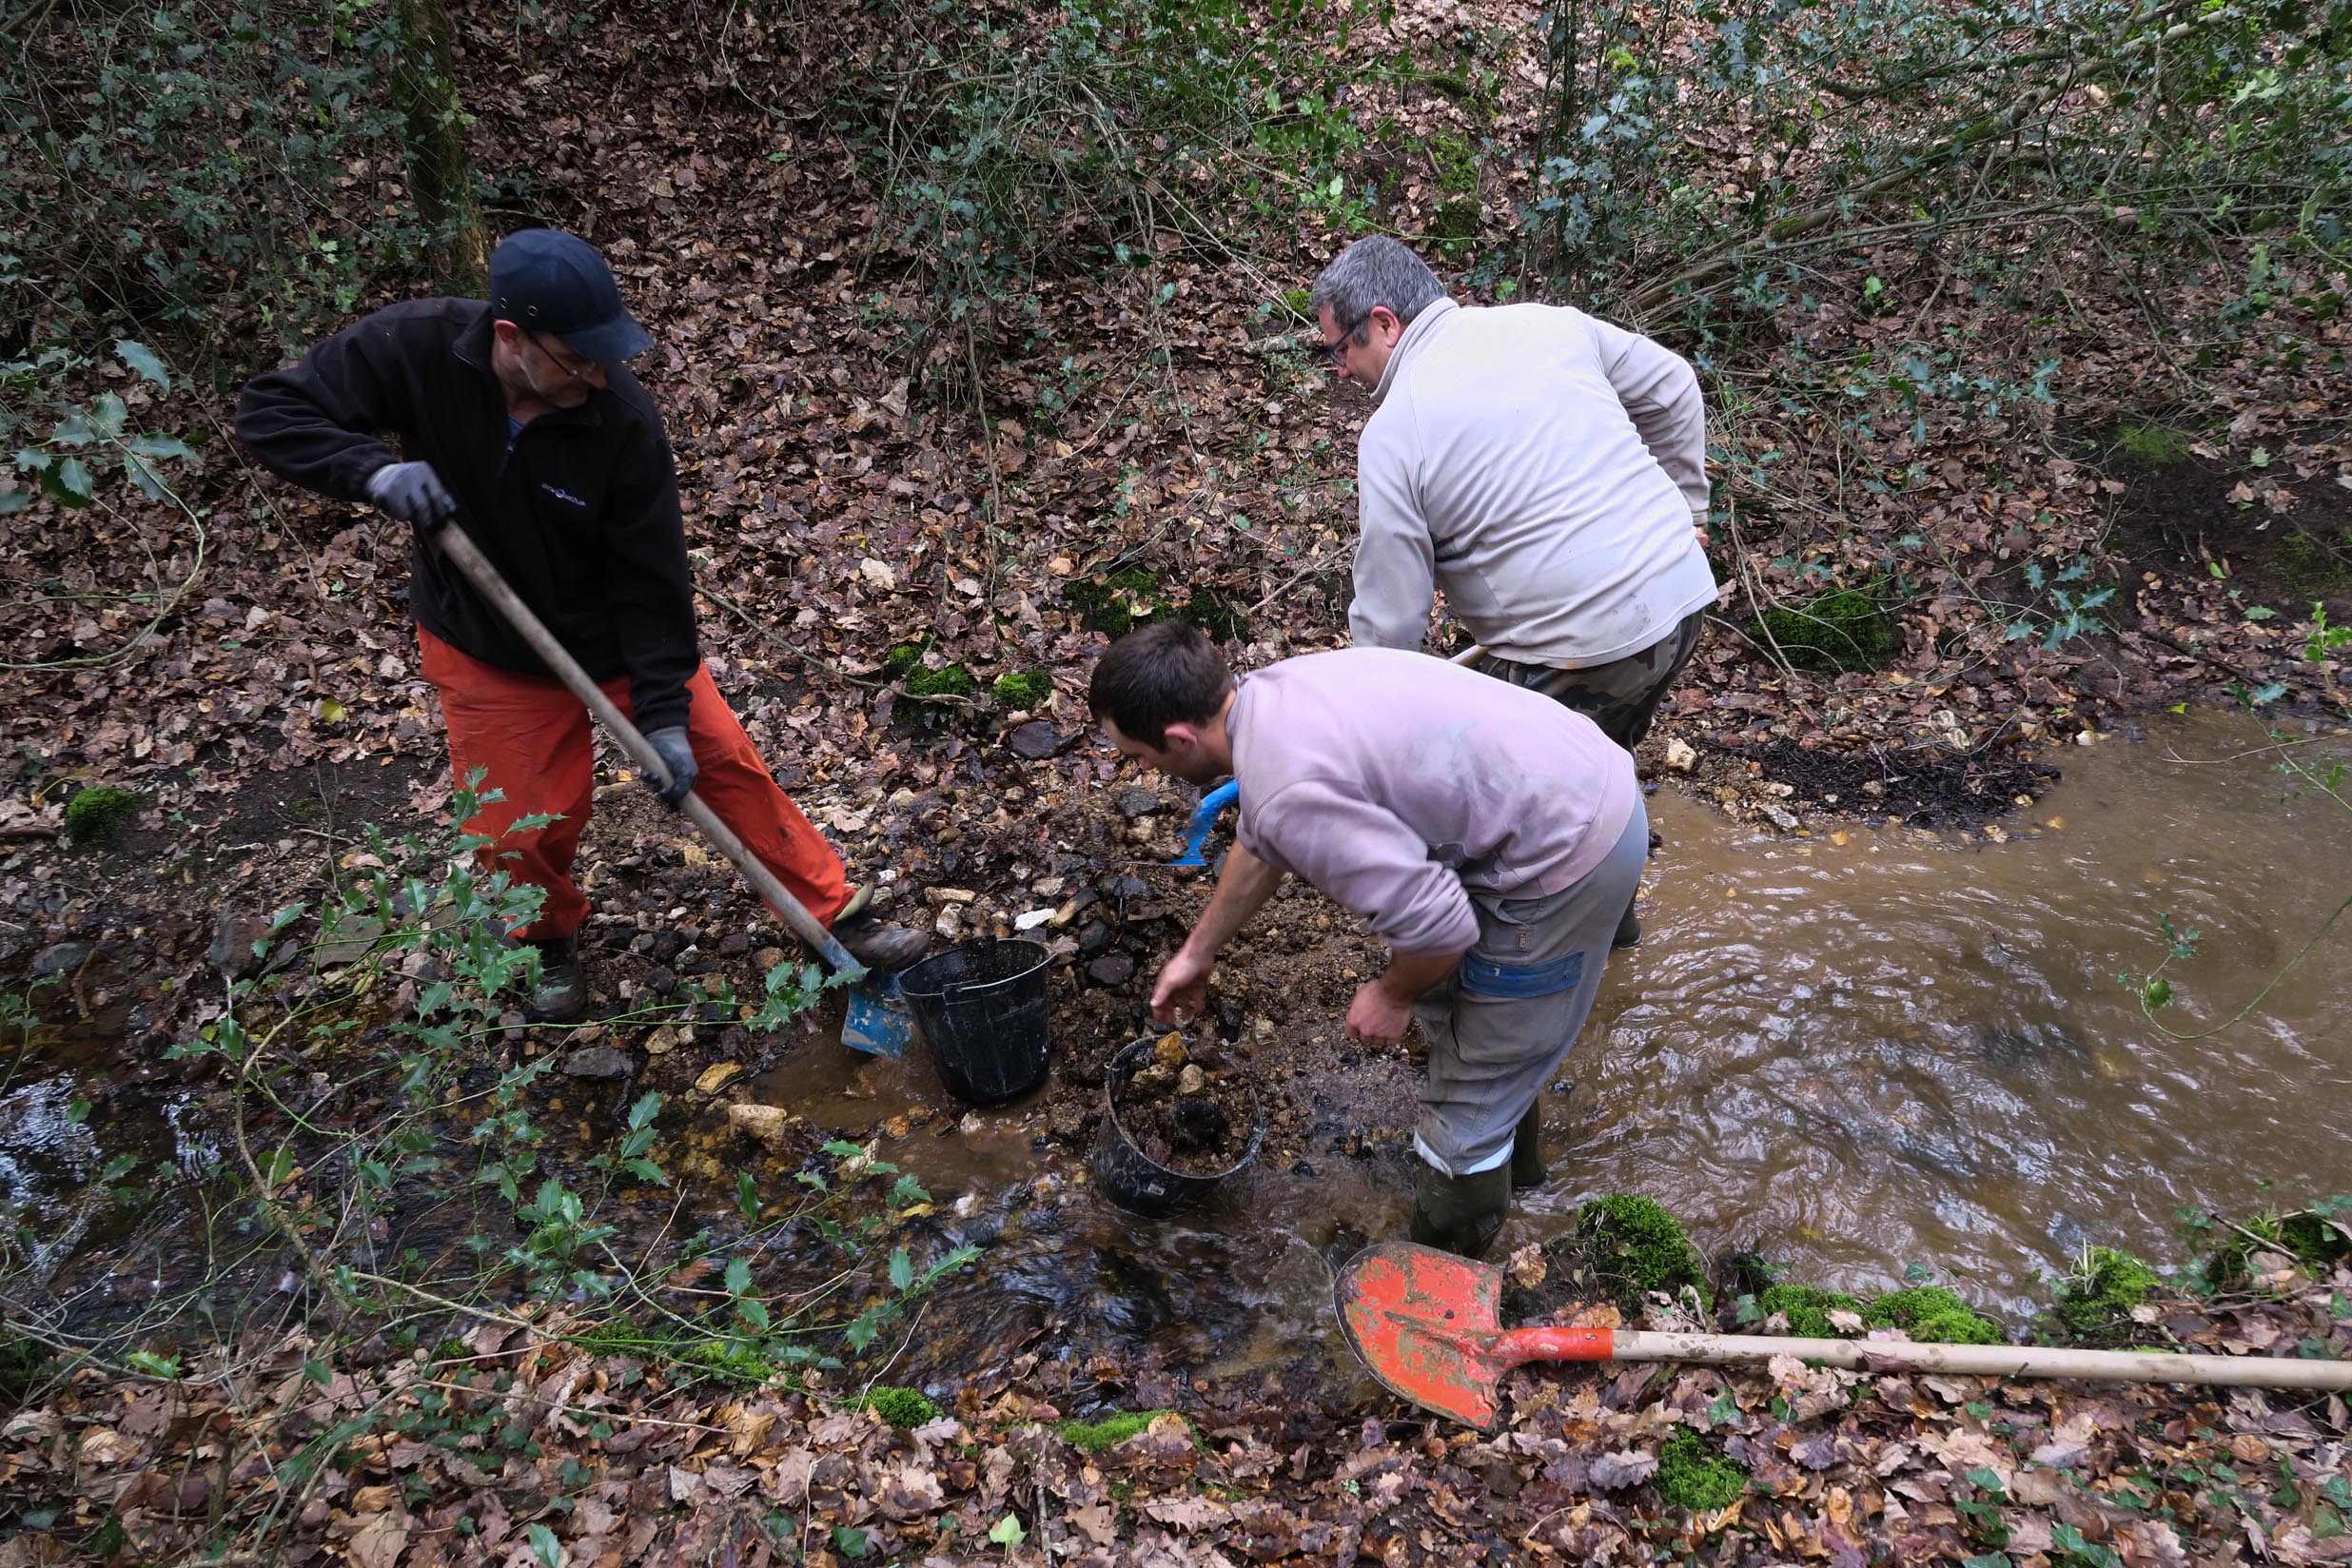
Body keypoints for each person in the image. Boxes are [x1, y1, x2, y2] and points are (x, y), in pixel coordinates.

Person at [236, 228, 925, 1022]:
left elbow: (655, 584)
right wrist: (372, 470)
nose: (598, 374)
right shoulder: (413, 348)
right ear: (510, 339)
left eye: (606, 355)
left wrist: (662, 717)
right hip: (485, 639)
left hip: (613, 638)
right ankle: (543, 941)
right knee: (519, 818)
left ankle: (831, 914)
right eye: (577, 359)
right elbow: (272, 408)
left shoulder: (622, 423)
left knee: (721, 759)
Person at [1089, 621, 1645, 1258]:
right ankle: (1525, 1171)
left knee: (1464, 1121)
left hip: (1572, 851)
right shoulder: (1272, 694)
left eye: (1139, 757)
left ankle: (1439, 1283)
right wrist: (1198, 950)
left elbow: (1442, 929)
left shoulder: (1287, 790)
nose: (1147, 771)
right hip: (1567, 768)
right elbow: (1261, 836)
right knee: (1470, 1029)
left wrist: (1392, 994)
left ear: (1179, 738)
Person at [1311, 236, 1715, 945]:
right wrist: (1690, 510)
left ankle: (1521, 985)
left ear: (1384, 322)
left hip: (1587, 653)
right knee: (1596, 766)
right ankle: (1614, 934)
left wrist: (1369, 736)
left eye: (1340, 348)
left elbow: (1391, 625)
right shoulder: (1546, 324)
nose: (1339, 369)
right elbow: (1676, 382)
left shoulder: (1394, 431)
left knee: (1506, 832)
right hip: (1680, 605)